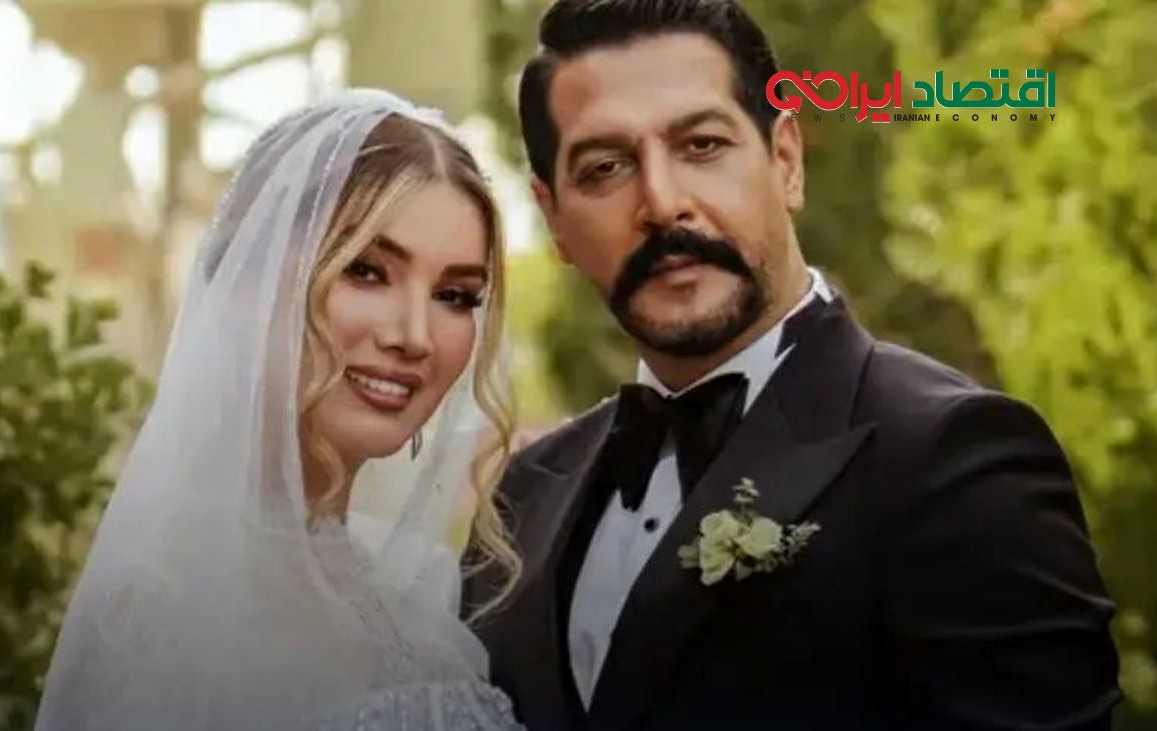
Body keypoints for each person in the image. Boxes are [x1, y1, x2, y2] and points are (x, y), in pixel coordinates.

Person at [463, 1, 1121, 729]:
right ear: (553, 218)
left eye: (702, 145)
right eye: (606, 168)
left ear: (786, 161)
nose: (663, 203)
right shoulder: (522, 497)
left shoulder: (954, 458)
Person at [36, 89, 523, 730]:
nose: (415, 335)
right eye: (366, 271)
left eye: (455, 295)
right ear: (250, 285)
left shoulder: (422, 594)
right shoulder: (165, 614)